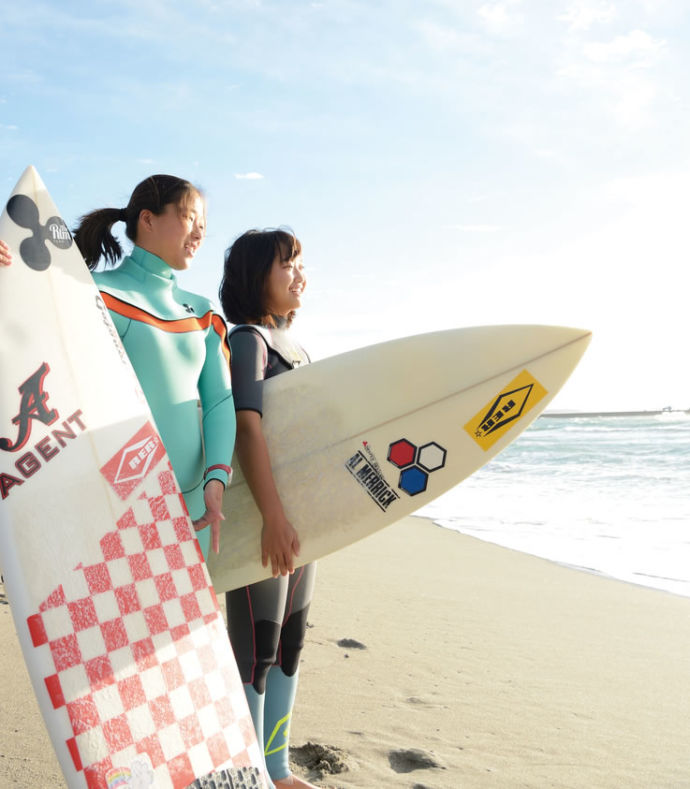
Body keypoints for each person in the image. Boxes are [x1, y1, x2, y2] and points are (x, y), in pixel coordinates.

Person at [0, 176, 235, 558]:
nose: (199, 233)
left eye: (204, 226)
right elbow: (22, 343)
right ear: (148, 219)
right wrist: (6, 275)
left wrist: (217, 480)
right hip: (112, 499)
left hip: (192, 504)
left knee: (184, 619)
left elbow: (219, 403)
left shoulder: (204, 313)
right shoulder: (92, 293)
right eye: (191, 219)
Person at [219, 229, 318, 789]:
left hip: (302, 520)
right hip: (264, 516)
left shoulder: (299, 349)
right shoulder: (249, 340)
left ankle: (275, 766)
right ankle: (248, 769)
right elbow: (246, 427)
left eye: (301, 262)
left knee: (290, 644)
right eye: (287, 264)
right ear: (258, 277)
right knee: (256, 646)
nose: (299, 273)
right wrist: (274, 517)